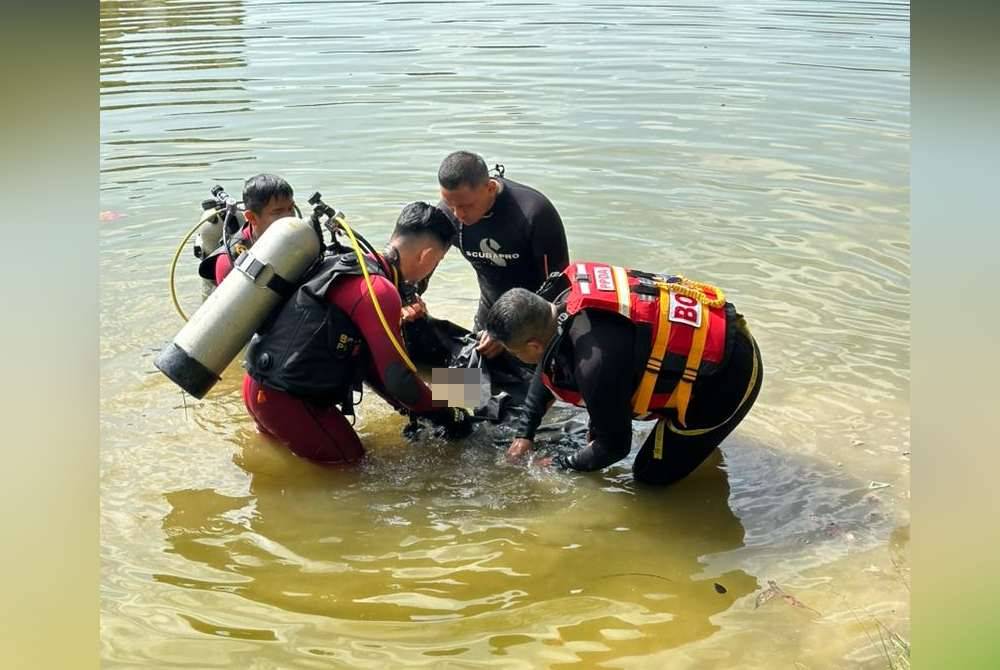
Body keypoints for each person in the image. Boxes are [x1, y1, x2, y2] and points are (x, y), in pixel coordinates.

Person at [484, 261, 763, 485]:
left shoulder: (593, 363)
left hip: (726, 377)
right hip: (699, 348)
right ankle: (694, 450)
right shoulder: (559, 303)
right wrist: (525, 434)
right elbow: (547, 368)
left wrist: (560, 465)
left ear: (532, 344)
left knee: (649, 479)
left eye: (514, 351)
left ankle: (698, 452)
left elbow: (615, 447)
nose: (514, 357)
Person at [241, 202, 473, 464]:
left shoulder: (347, 263)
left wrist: (455, 394)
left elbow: (373, 368)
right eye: (438, 261)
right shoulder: (380, 291)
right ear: (428, 256)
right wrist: (447, 411)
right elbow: (400, 380)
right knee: (354, 470)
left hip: (256, 387)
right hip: (287, 403)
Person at [436, 151, 569, 358]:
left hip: (533, 327)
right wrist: (410, 299)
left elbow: (560, 287)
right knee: (456, 382)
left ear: (489, 188)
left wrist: (507, 331)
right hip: (489, 316)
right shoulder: (451, 213)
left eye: (465, 206)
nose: (458, 215)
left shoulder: (533, 213)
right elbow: (422, 257)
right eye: (451, 206)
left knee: (537, 388)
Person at [198, 173, 297, 286]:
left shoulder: (300, 236)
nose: (289, 216)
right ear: (252, 217)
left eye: (291, 208)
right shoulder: (230, 261)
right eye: (278, 212)